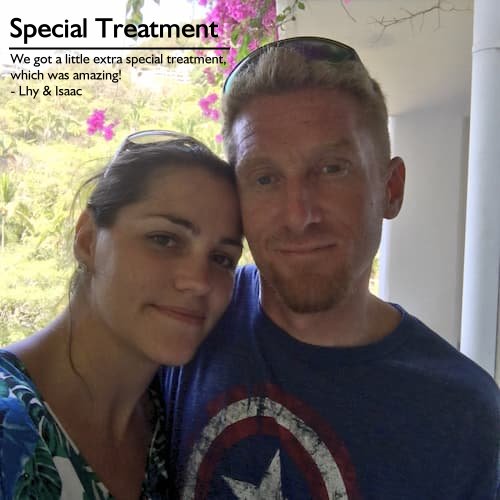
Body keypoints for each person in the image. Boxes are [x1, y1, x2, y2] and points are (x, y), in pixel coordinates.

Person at [165, 38, 500, 499]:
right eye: (265, 178)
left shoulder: (463, 412)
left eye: (332, 169)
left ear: (391, 188)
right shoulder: (191, 317)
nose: (299, 215)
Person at [0, 131, 243, 499]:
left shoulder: (171, 413)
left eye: (222, 258)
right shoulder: (9, 424)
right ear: (87, 240)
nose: (198, 281)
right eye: (164, 239)